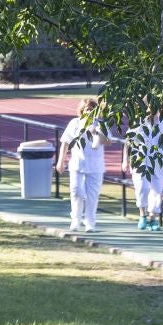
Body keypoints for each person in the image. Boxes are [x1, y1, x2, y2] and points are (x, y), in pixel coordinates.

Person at [57, 99, 106, 234]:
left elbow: (108, 141)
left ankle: (90, 223)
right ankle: (75, 220)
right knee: (76, 192)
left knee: (92, 196)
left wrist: (97, 132)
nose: (89, 112)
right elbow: (65, 142)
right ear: (82, 111)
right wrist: (61, 161)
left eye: (92, 109)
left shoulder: (100, 124)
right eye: (87, 109)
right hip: (77, 164)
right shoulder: (75, 123)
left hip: (95, 167)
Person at [128, 115, 163, 230]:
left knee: (157, 190)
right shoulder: (138, 121)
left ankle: (153, 218)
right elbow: (128, 141)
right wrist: (125, 160)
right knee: (142, 188)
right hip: (140, 160)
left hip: (157, 161)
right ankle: (142, 214)